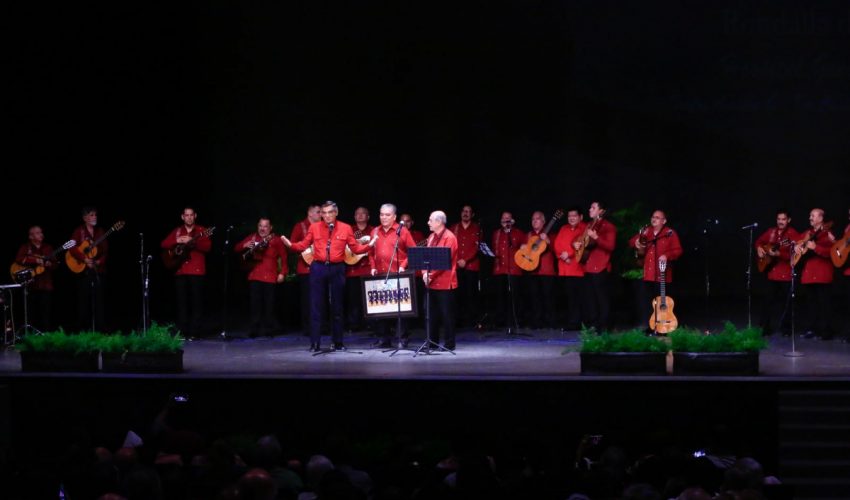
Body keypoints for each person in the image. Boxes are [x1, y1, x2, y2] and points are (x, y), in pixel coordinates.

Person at [282, 201, 374, 351]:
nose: (326, 216)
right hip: (318, 267)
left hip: (337, 268)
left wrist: (370, 245)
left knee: (337, 306)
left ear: (336, 213)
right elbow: (303, 245)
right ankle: (315, 342)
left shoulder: (345, 228)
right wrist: (290, 245)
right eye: (323, 213)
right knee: (316, 306)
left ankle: (338, 342)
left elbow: (356, 249)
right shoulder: (314, 227)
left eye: (330, 212)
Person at [368, 203, 417, 348]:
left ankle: (402, 338)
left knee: (400, 309)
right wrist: (372, 267)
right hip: (380, 275)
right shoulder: (375, 231)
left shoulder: (402, 231)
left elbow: (413, 251)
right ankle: (383, 339)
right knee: (381, 307)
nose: (384, 217)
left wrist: (403, 266)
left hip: (398, 275)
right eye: (381, 214)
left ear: (394, 217)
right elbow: (370, 252)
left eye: (387, 215)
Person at [160, 207, 212, 339]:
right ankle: (182, 331)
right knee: (182, 303)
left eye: (191, 215)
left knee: (196, 303)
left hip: (196, 271)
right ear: (182, 217)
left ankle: (195, 332)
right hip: (180, 271)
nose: (189, 217)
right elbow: (164, 244)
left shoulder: (202, 230)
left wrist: (193, 243)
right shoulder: (177, 231)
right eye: (186, 215)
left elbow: (207, 247)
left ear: (195, 216)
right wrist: (178, 241)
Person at [628, 210, 683, 333]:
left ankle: (664, 327)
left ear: (664, 221)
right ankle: (651, 327)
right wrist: (636, 243)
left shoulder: (669, 233)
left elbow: (678, 250)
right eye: (653, 217)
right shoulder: (647, 232)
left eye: (658, 217)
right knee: (649, 302)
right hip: (648, 274)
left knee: (663, 302)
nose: (654, 219)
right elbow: (631, 242)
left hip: (663, 274)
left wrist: (667, 255)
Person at [234, 217, 288, 338]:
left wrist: (282, 273)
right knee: (255, 304)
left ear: (270, 227)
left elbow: (284, 257)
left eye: (265, 226)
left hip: (270, 276)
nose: (262, 229)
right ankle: (254, 329)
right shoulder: (252, 237)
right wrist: (245, 244)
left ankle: (269, 329)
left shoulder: (276, 240)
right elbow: (236, 248)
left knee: (270, 305)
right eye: (260, 226)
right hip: (255, 275)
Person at [754, 209, 799, 336]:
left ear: (788, 220)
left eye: (783, 219)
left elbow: (796, 253)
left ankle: (786, 330)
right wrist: (759, 248)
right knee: (767, 301)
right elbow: (759, 241)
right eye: (779, 219)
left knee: (787, 304)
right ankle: (764, 328)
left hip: (785, 274)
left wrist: (780, 253)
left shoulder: (792, 233)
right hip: (771, 273)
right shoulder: (771, 231)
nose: (780, 221)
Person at [795, 208, 835, 340]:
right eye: (810, 215)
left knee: (824, 304)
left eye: (813, 216)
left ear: (821, 218)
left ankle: (826, 332)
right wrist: (796, 245)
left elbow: (832, 252)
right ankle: (812, 329)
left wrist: (815, 248)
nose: (810, 218)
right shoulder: (808, 233)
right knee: (811, 304)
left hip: (822, 274)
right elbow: (795, 241)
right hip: (809, 274)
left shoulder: (827, 233)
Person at [68, 206, 109, 331]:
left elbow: (105, 251)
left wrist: (98, 262)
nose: (94, 217)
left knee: (99, 302)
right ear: (85, 218)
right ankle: (83, 331)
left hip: (97, 271)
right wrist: (84, 259)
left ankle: (100, 330)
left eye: (95, 215)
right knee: (83, 303)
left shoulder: (100, 231)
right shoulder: (78, 231)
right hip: (83, 272)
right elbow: (72, 248)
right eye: (91, 215)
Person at [423, 210, 459, 350]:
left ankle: (449, 344)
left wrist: (430, 274)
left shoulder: (450, 237)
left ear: (439, 222)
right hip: (431, 283)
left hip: (445, 283)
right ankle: (432, 342)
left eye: (430, 220)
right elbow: (424, 257)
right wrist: (425, 273)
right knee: (430, 314)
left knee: (447, 315)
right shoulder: (431, 237)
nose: (428, 223)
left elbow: (444, 260)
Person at [582, 202, 617, 332]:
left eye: (593, 208)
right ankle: (594, 324)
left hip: (601, 266)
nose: (590, 209)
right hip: (589, 266)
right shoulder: (589, 225)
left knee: (602, 298)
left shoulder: (608, 227)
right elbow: (583, 241)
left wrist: (596, 237)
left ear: (601, 211)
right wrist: (578, 245)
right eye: (590, 207)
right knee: (591, 298)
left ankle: (604, 326)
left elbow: (611, 246)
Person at [14, 225, 57, 331]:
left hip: (45, 285)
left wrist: (49, 264)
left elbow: (56, 264)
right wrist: (36, 261)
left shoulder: (48, 248)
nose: (41, 234)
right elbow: (19, 259)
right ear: (31, 236)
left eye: (41, 232)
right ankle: (31, 338)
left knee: (45, 315)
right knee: (30, 314)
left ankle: (45, 338)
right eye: (38, 233)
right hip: (30, 286)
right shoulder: (25, 247)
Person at [491, 211, 526, 330]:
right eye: (504, 218)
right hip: (500, 269)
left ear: (512, 220)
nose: (506, 220)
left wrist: (523, 247)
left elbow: (525, 248)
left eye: (508, 218)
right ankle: (501, 321)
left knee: (515, 297)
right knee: (500, 297)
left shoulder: (518, 233)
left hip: (514, 269)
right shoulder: (496, 233)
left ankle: (516, 320)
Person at [553, 207, 586, 332]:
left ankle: (582, 323)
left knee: (581, 298)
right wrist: (562, 255)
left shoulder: (584, 228)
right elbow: (557, 244)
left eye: (574, 215)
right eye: (569, 216)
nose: (571, 218)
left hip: (578, 269)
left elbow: (583, 244)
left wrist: (570, 254)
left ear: (580, 217)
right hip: (564, 268)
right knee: (570, 298)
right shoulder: (563, 228)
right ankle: (573, 322)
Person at [290, 204, 322, 335]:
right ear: (310, 213)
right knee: (307, 299)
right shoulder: (300, 226)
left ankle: (321, 325)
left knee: (321, 297)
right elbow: (292, 245)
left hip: (321, 267)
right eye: (318, 212)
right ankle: (307, 327)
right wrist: (304, 250)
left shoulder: (323, 227)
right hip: (305, 269)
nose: (321, 214)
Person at [523, 211, 557, 329]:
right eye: (533, 219)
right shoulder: (528, 235)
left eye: (537, 219)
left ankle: (550, 322)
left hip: (547, 271)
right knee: (534, 297)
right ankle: (537, 322)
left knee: (548, 297)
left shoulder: (550, 235)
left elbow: (556, 250)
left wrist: (548, 241)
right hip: (533, 270)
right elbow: (524, 253)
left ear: (543, 222)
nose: (535, 221)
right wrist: (523, 248)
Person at [450, 205, 482, 328]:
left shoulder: (477, 228)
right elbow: (450, 246)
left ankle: (471, 321)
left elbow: (477, 247)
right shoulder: (454, 228)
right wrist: (458, 260)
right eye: (464, 211)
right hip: (456, 266)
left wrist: (466, 260)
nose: (465, 213)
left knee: (471, 294)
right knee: (457, 295)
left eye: (468, 211)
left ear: (472, 214)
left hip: (471, 266)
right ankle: (458, 321)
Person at [344, 206, 374, 332]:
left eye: (363, 213)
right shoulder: (349, 230)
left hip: (368, 269)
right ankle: (354, 324)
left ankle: (371, 324)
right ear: (354, 217)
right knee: (353, 299)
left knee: (370, 299)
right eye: (357, 214)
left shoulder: (373, 230)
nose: (360, 215)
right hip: (352, 270)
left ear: (368, 216)